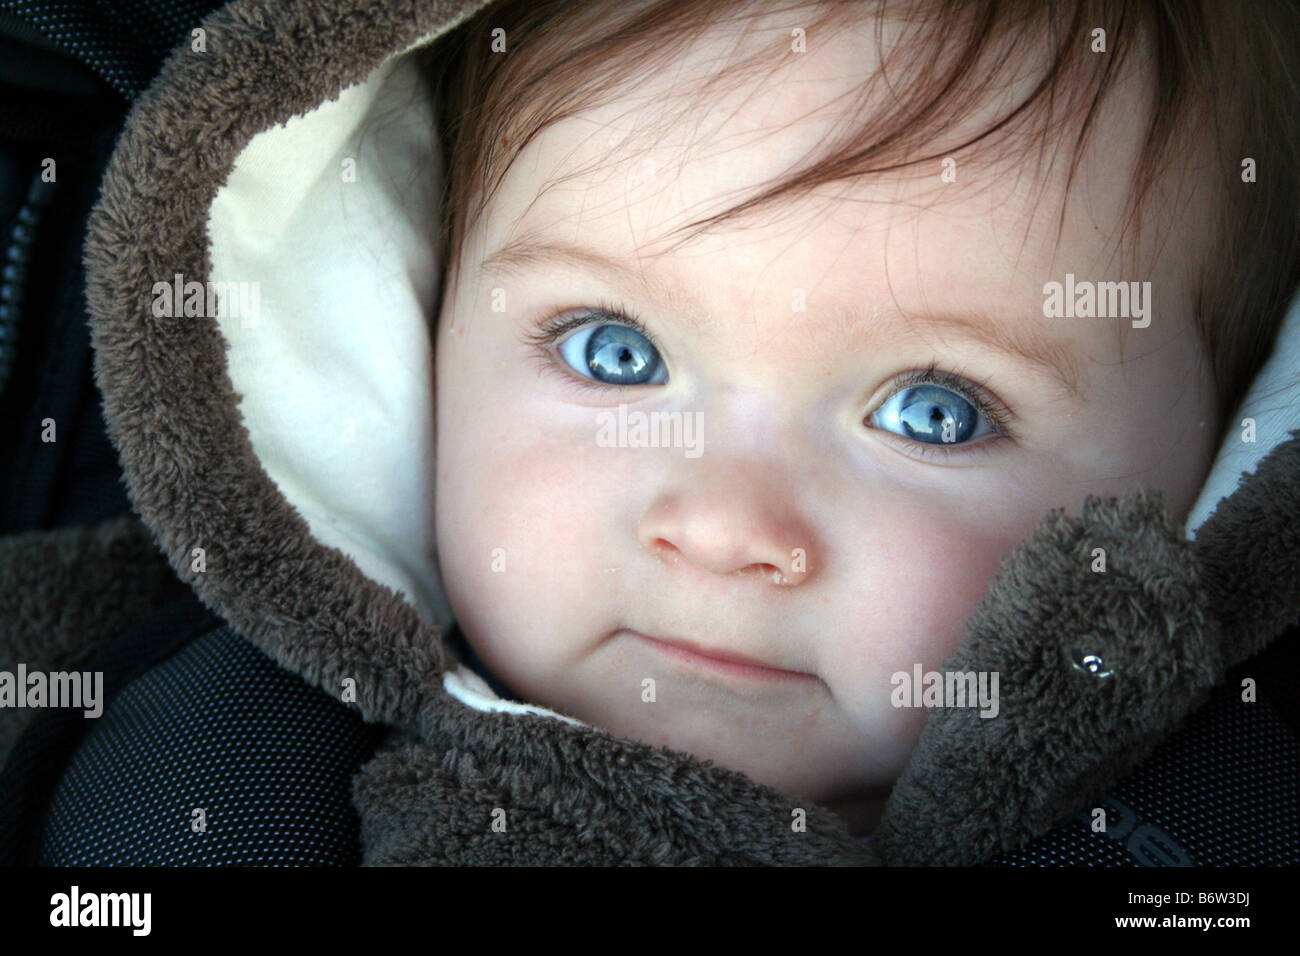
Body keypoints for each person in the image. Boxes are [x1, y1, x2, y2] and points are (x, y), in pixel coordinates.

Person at [2, 0, 1297, 865]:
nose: (726, 527)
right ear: (422, 332)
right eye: (615, 355)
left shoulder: (1218, 839)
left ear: (1217, 467)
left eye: (933, 413)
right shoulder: (167, 739)